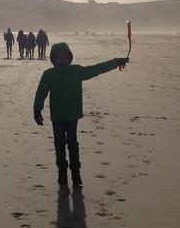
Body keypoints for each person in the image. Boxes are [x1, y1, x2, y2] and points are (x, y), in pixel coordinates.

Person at [33, 42, 127, 187]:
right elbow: (41, 93)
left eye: (64, 56)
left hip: (72, 115)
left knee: (72, 144)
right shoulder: (49, 75)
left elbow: (97, 69)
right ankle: (62, 175)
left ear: (69, 58)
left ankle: (76, 175)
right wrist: (37, 110)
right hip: (57, 117)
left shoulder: (76, 71)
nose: (61, 59)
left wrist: (116, 62)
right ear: (54, 59)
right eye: (58, 57)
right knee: (59, 145)